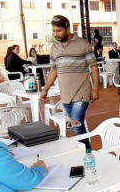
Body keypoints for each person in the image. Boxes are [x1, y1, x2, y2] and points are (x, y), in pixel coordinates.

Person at [41, 15, 100, 150]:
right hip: (65, 95)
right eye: (54, 31)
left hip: (81, 93)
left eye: (59, 31)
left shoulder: (83, 44)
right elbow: (53, 70)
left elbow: (94, 67)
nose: (56, 34)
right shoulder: (54, 48)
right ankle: (88, 149)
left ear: (68, 29)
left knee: (75, 124)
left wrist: (96, 88)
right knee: (78, 125)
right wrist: (45, 89)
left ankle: (87, 153)